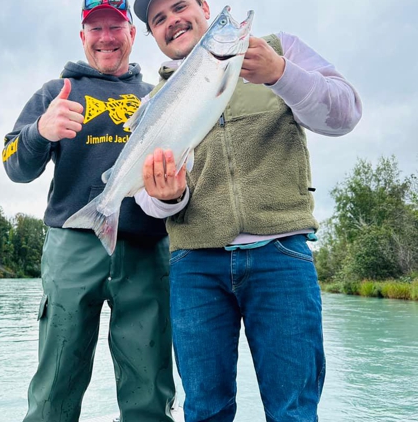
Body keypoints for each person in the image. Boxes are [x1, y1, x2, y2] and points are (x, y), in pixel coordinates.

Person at [132, 0, 363, 421]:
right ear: (154, 36)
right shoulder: (153, 104)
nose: (172, 22)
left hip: (282, 256)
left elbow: (345, 113)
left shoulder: (280, 49)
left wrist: (281, 74)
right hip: (195, 266)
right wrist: (166, 196)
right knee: (204, 411)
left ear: (205, 6)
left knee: (293, 411)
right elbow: (148, 199)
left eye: (179, 6)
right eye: (158, 20)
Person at [2, 1, 176, 421]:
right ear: (83, 36)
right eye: (95, 28)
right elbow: (13, 164)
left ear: (133, 34)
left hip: (145, 248)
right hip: (72, 243)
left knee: (149, 388)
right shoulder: (55, 92)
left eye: (115, 27)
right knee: (56, 383)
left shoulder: (159, 97)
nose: (106, 37)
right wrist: (38, 132)